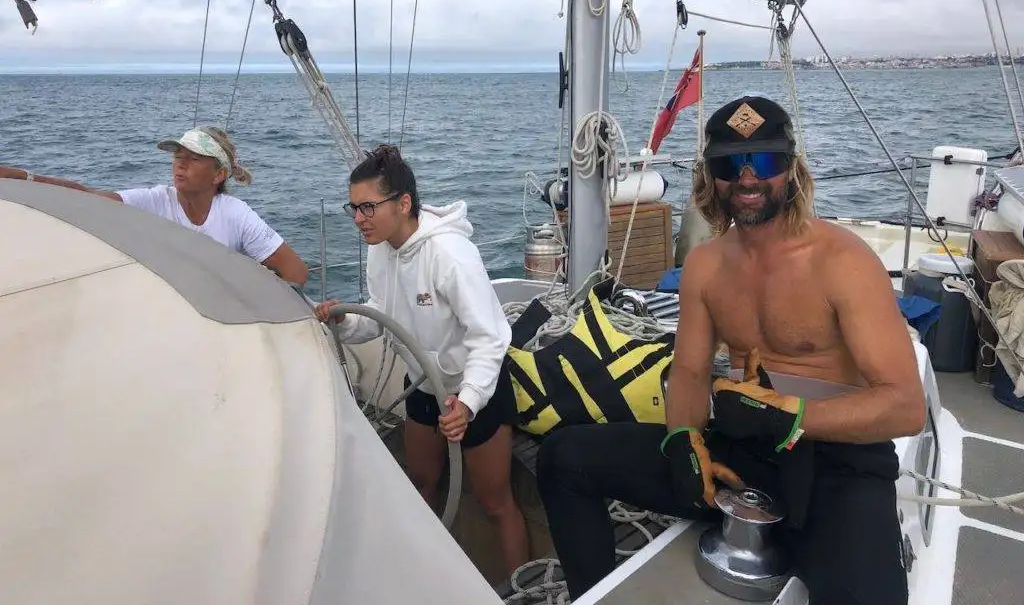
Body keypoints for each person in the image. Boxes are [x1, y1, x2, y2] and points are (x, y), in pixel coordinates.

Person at [534, 95, 926, 604]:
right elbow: (691, 372)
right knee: (565, 458)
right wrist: (683, 439)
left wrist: (790, 417)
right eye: (728, 164)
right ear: (709, 176)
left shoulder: (843, 261)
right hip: (744, 449)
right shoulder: (705, 265)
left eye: (763, 160)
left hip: (838, 463)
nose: (746, 178)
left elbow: (905, 406)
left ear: (791, 168)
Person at [315, 144, 530, 576]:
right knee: (422, 483)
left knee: (495, 503)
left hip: (475, 390)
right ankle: (423, 576)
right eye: (353, 208)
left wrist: (469, 401)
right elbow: (382, 315)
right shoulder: (381, 250)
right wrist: (344, 322)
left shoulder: (450, 255)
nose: (358, 219)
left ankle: (527, 589)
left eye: (368, 207)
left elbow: (489, 337)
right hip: (423, 384)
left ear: (403, 203)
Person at [0, 126, 308, 285]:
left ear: (219, 175)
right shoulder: (156, 200)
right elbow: (88, 196)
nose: (180, 165)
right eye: (178, 157)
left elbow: (295, 271)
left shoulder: (234, 214)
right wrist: (26, 178)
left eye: (193, 159)